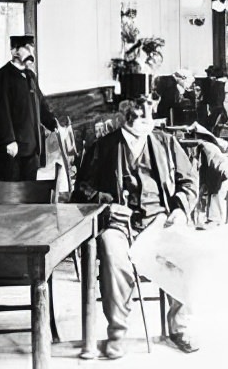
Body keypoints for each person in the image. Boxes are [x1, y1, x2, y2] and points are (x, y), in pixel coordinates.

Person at [71, 96, 200, 357]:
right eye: (139, 116)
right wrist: (107, 203)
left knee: (185, 247)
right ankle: (117, 332)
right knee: (110, 251)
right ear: (124, 116)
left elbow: (189, 181)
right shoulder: (104, 146)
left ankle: (179, 326)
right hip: (119, 224)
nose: (146, 121)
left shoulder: (166, 142)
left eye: (149, 116)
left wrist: (178, 208)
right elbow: (81, 189)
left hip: (159, 220)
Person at [0, 35, 56, 182]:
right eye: (26, 48)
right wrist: (9, 140)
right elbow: (0, 113)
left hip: (31, 148)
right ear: (14, 51)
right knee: (12, 196)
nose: (31, 52)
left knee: (29, 194)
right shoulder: (1, 78)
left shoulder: (30, 76)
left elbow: (41, 104)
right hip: (12, 150)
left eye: (32, 48)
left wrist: (54, 124)